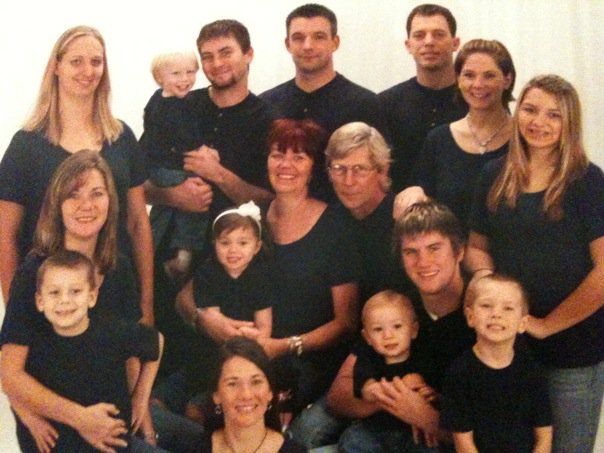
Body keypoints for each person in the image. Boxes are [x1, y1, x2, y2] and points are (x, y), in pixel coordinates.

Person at [466, 74, 604, 452]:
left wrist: (545, 326)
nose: (538, 122)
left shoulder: (588, 181)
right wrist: (487, 284)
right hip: (507, 349)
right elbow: (476, 247)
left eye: (553, 115)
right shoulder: (494, 174)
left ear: (569, 123)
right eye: (530, 110)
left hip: (572, 352)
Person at [143, 19, 275, 376]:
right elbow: (138, 180)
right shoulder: (178, 102)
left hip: (232, 263)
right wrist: (173, 196)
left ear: (248, 54)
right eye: (208, 56)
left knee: (219, 370)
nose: (216, 63)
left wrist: (218, 175)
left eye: (226, 52)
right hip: (171, 254)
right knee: (165, 360)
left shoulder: (266, 119)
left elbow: (271, 200)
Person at [0, 151, 155, 451]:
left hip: (111, 422)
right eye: (74, 195)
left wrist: (141, 404)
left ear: (111, 201)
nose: (87, 205)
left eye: (97, 194)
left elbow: (134, 351)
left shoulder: (119, 267)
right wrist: (81, 420)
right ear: (57, 204)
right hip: (55, 429)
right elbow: (10, 373)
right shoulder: (34, 272)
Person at [0, 25, 153, 325]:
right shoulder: (26, 145)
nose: (88, 71)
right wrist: (17, 312)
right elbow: (5, 235)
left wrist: (147, 304)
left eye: (96, 62)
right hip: (54, 304)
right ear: (56, 66)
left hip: (115, 293)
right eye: (76, 61)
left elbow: (138, 224)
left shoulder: (121, 138)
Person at [317, 202, 474, 450]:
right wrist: (394, 400)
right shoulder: (397, 308)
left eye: (434, 248)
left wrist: (428, 418)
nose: (423, 261)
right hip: (380, 433)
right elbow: (338, 396)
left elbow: (497, 435)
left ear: (460, 251)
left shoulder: (485, 312)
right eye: (411, 252)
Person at [257, 118, 360, 415]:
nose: (285, 165)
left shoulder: (336, 226)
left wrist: (285, 345)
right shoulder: (253, 218)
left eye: (298, 157)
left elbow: (346, 323)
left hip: (312, 363)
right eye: (278, 155)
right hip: (257, 355)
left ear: (314, 168)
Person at [19, 250, 164, 452]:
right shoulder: (35, 346)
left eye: (75, 291)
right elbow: (13, 382)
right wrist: (28, 416)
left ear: (92, 296)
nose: (65, 300)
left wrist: (141, 397)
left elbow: (156, 340)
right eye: (54, 292)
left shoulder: (112, 332)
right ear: (40, 301)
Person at [260, 3, 385, 201]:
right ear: (287, 44)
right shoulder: (266, 105)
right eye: (298, 38)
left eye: (319, 37)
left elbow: (380, 177)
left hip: (347, 217)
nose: (308, 46)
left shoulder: (364, 105)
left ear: (335, 42)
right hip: (279, 216)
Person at [396, 39, 515, 231]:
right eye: (469, 75)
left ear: (507, 80)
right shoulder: (438, 140)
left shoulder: (525, 138)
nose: (478, 84)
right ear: (458, 79)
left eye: (489, 76)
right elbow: (422, 204)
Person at [171, 201, 273, 418]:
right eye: (225, 243)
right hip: (214, 347)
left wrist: (252, 337)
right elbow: (214, 322)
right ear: (214, 244)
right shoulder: (208, 273)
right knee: (198, 399)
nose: (233, 250)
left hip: (250, 348)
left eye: (243, 243)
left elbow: (265, 327)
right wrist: (241, 333)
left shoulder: (262, 277)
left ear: (256, 246)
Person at [440, 274, 552, 452]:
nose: (496, 314)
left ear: (523, 323)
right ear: (470, 316)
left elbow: (544, 435)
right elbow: (464, 444)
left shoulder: (532, 371)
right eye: (486, 305)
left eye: (508, 308)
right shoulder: (459, 373)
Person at [379, 3, 467, 192]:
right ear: (408, 45)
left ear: (455, 43)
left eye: (438, 34)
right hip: (400, 209)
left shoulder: (476, 101)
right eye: (419, 35)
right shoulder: (385, 104)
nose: (429, 42)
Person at [339, 290, 437, 452]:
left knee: (431, 445)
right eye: (378, 329)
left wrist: (431, 395)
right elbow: (369, 391)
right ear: (367, 337)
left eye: (397, 326)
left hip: (412, 431)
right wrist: (402, 387)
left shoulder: (424, 357)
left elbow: (435, 394)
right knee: (352, 439)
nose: (388, 335)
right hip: (376, 430)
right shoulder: (368, 360)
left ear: (414, 330)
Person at [139, 51, 207, 282]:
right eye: (176, 74)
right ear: (160, 78)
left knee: (165, 210)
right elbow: (185, 138)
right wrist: (204, 149)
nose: (185, 79)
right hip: (164, 167)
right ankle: (185, 253)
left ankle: (151, 247)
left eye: (190, 72)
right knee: (196, 197)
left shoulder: (159, 99)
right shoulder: (172, 108)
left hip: (156, 165)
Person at [325, 122, 410, 301]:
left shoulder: (405, 220)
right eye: (339, 169)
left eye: (360, 169)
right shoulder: (328, 220)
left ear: (382, 171)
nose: (348, 181)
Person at [201, 337, 305, 452]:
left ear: (270, 392)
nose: (246, 394)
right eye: (232, 384)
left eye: (256, 382)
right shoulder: (195, 448)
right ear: (216, 395)